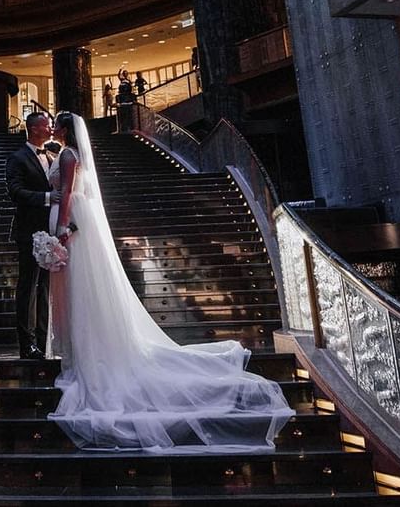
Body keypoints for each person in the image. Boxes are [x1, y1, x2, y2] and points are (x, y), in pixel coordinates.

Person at [45, 111, 294, 451]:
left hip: (73, 218)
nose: (53, 128)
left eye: (56, 124)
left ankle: (90, 353)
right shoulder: (67, 153)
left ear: (64, 129)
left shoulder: (68, 155)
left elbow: (69, 190)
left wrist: (61, 228)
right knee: (83, 291)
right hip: (78, 216)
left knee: (83, 290)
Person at [5, 111, 59, 359]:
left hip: (50, 231)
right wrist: (46, 198)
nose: (51, 129)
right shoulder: (18, 158)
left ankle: (43, 340)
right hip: (29, 231)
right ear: (34, 129)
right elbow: (15, 191)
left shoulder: (52, 155)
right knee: (28, 285)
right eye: (47, 126)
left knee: (45, 287)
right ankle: (26, 345)